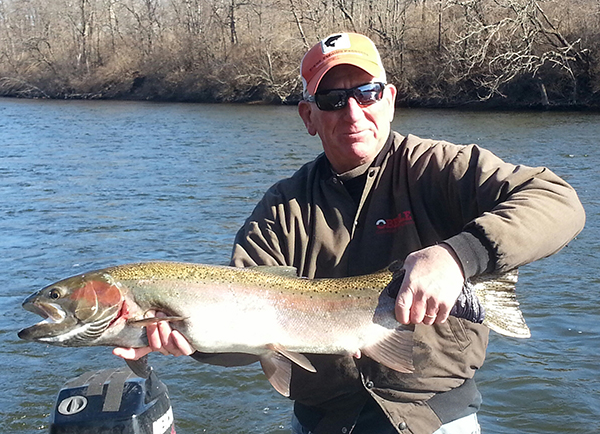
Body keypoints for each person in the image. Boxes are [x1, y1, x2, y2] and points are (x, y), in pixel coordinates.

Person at [114, 32, 585, 434]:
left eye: (367, 93)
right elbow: (249, 340)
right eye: (332, 100)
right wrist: (192, 340)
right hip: (321, 421)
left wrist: (458, 257)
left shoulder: (440, 168)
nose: (353, 112)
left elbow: (558, 201)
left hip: (435, 419)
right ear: (308, 117)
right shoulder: (283, 208)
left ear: (391, 99)